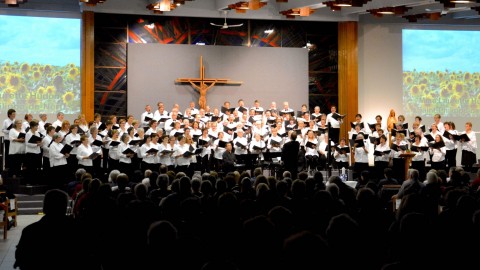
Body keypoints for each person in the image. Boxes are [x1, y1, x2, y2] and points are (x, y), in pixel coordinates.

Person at [14, 189, 83, 270]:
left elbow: (20, 257)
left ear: (45, 206)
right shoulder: (78, 229)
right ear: (64, 206)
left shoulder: (30, 231)